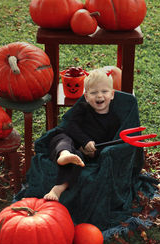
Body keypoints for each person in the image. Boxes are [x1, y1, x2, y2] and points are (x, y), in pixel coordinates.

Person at [44, 68, 121, 201]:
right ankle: (64, 154)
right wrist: (85, 141)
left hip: (84, 153)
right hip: (69, 141)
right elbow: (70, 126)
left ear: (112, 94)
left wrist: (95, 152)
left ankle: (58, 189)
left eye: (104, 91)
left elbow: (111, 142)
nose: (99, 96)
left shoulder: (114, 120)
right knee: (62, 139)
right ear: (86, 96)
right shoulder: (83, 108)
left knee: (77, 160)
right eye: (94, 92)